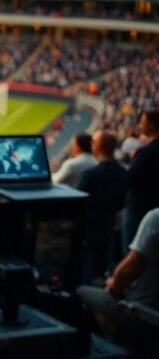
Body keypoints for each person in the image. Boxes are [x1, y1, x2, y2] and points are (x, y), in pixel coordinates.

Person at [77, 206, 159, 343]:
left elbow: (130, 270)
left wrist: (114, 287)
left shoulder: (155, 218)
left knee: (79, 292)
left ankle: (113, 344)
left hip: (142, 311)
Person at [78, 131, 128, 282]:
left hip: (88, 228)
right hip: (109, 225)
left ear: (98, 146)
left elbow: (78, 201)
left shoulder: (90, 174)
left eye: (94, 141)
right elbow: (123, 201)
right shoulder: (123, 173)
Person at [125, 110, 159, 250]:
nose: (139, 125)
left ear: (151, 125)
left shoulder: (145, 152)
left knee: (132, 252)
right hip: (154, 207)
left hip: (139, 210)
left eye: (142, 122)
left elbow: (129, 180)